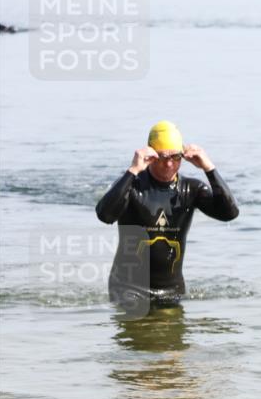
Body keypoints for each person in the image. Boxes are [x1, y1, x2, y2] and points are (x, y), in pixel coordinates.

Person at [96, 121, 239, 310]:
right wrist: (133, 170)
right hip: (128, 289)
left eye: (176, 157)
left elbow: (229, 213)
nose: (169, 164)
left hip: (172, 290)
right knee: (139, 338)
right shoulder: (132, 186)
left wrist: (209, 168)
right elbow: (105, 215)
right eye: (163, 158)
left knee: (173, 339)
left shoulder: (191, 189)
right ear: (151, 156)